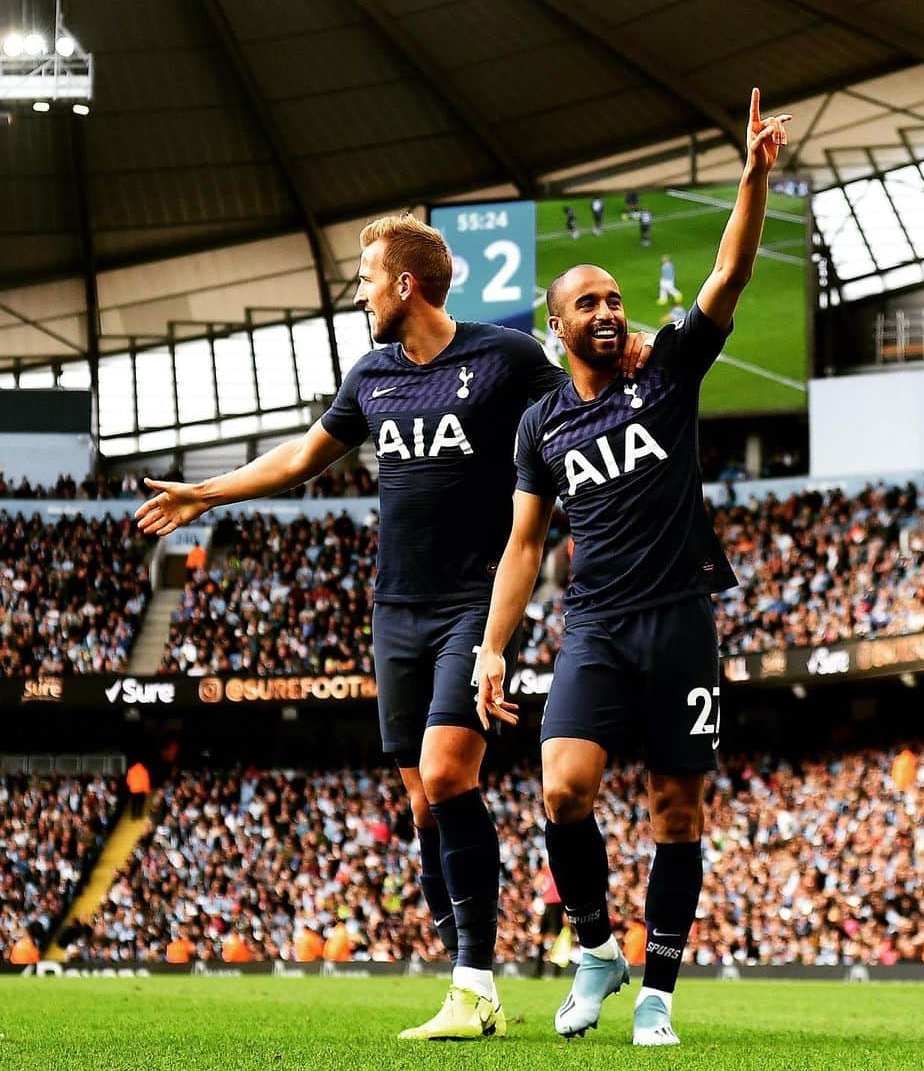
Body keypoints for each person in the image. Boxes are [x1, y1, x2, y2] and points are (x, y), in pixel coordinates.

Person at [133, 214, 653, 1041]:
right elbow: (303, 457)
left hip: (472, 607)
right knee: (420, 802)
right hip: (394, 609)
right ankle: (486, 952)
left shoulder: (505, 356)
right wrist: (207, 494)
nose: (361, 290)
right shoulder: (371, 373)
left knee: (447, 774)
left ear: (405, 284)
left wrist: (638, 343)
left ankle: (474, 986)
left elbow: (582, 382)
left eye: (369, 275)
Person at [475, 88, 790, 1047]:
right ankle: (596, 949)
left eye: (615, 299)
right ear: (556, 326)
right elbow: (525, 544)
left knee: (676, 809)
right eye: (589, 303)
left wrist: (753, 178)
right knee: (563, 788)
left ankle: (656, 993)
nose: (609, 311)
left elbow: (730, 274)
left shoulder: (669, 371)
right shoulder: (541, 423)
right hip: (598, 628)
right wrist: (494, 651)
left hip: (682, 619)